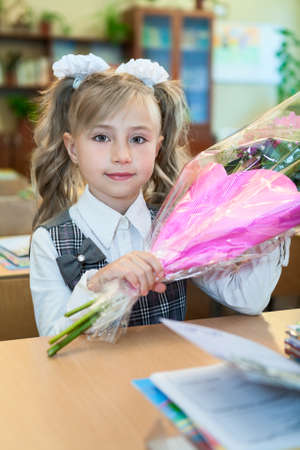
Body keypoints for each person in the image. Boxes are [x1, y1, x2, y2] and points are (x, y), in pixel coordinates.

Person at [30, 54, 290, 337]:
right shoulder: (49, 242)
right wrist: (97, 285)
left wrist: (273, 222)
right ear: (73, 148)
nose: (122, 156)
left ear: (157, 147)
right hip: (86, 380)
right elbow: (50, 338)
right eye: (101, 137)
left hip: (163, 375)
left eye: (138, 139)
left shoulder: (178, 226)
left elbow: (247, 300)